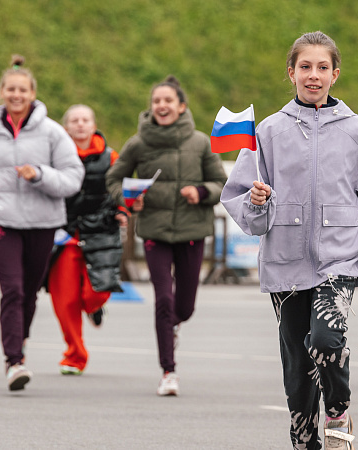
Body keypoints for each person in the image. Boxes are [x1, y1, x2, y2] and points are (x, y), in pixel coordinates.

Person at [221, 31, 358, 450]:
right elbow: (242, 201)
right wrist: (257, 202)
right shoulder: (268, 131)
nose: (314, 75)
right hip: (285, 262)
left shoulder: (356, 130)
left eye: (322, 67)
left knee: (328, 339)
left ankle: (339, 410)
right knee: (297, 371)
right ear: (291, 72)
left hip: (341, 258)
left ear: (335, 75)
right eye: (305, 67)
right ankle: (304, 439)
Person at [0, 55, 84, 391]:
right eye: (10, 89)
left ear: (32, 93)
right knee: (12, 289)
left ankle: (21, 341)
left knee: (29, 291)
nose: (16, 95)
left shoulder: (52, 133)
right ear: (1, 92)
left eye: (22, 89)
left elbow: (74, 178)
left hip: (43, 222)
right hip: (1, 217)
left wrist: (39, 174)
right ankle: (14, 361)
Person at [106, 75, 227, 396]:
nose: (161, 105)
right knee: (163, 299)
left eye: (168, 101)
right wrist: (128, 200)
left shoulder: (201, 142)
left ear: (181, 106)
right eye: (156, 101)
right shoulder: (138, 143)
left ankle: (174, 325)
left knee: (183, 307)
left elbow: (221, 183)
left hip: (192, 231)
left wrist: (200, 192)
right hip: (154, 232)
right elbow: (114, 180)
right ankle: (168, 371)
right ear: (151, 107)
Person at [46, 104, 124, 376]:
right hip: (64, 235)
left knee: (97, 291)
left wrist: (122, 211)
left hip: (100, 231)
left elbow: (120, 190)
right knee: (65, 300)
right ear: (65, 127)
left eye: (85, 120)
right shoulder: (53, 155)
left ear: (93, 125)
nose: (80, 124)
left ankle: (93, 308)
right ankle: (74, 356)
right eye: (74, 120)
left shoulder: (111, 155)